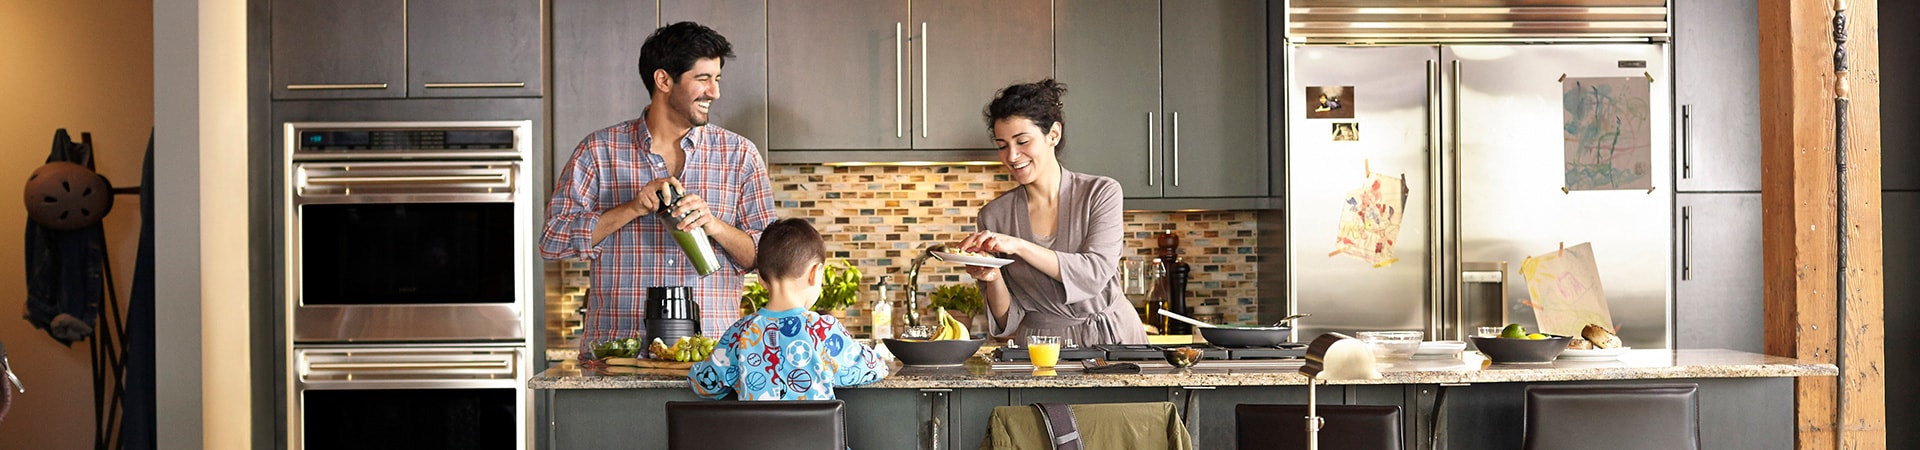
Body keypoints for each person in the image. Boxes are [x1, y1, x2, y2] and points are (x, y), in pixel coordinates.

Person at [541, 22, 777, 358]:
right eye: (703, 79)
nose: (715, 92)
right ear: (664, 80)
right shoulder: (599, 151)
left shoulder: (739, 156)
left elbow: (766, 257)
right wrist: (631, 209)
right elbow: (553, 241)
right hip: (618, 360)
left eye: (717, 79)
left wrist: (714, 225)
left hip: (711, 362)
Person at [957, 79, 1149, 346]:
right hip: (1042, 348)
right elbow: (1007, 320)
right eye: (1002, 145)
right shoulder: (994, 216)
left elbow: (1093, 273)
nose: (1012, 156)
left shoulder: (1100, 193)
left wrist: (1019, 246)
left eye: (1022, 141)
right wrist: (993, 276)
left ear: (1053, 134)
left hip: (1114, 341)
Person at [690, 218, 888, 400]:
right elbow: (874, 367)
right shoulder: (823, 329)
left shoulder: (740, 333)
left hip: (754, 439)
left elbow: (703, 384)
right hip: (817, 439)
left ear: (760, 278)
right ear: (814, 273)